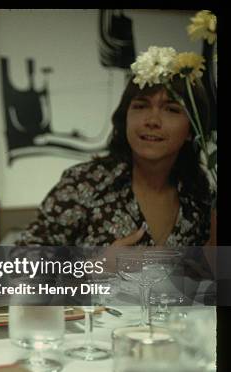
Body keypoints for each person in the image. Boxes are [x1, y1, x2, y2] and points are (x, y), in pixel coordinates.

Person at [16, 74, 213, 248]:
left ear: (191, 130)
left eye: (171, 109)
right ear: (125, 117)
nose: (152, 121)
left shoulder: (198, 193)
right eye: (140, 106)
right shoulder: (85, 183)